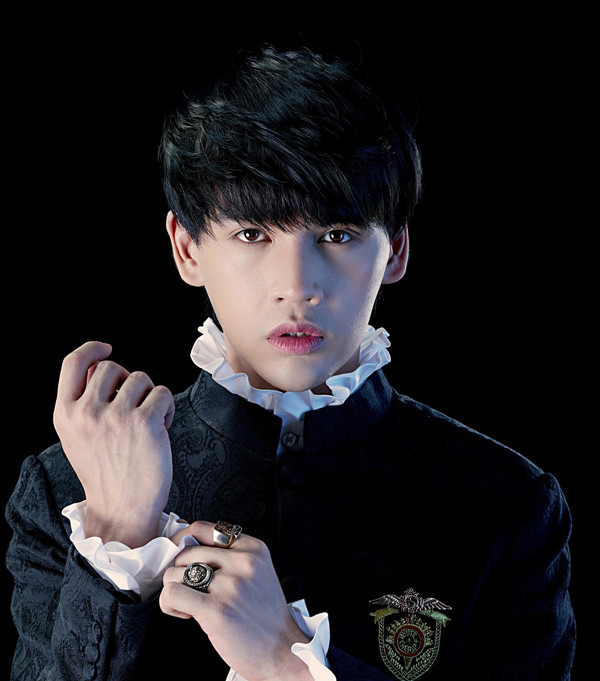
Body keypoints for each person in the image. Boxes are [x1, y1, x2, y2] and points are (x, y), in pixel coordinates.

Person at [5, 46, 575, 680]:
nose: (297, 287)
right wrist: (117, 532)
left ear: (394, 252)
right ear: (187, 249)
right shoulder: (66, 491)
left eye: (337, 235)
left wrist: (286, 661)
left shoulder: (507, 504)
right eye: (252, 234)